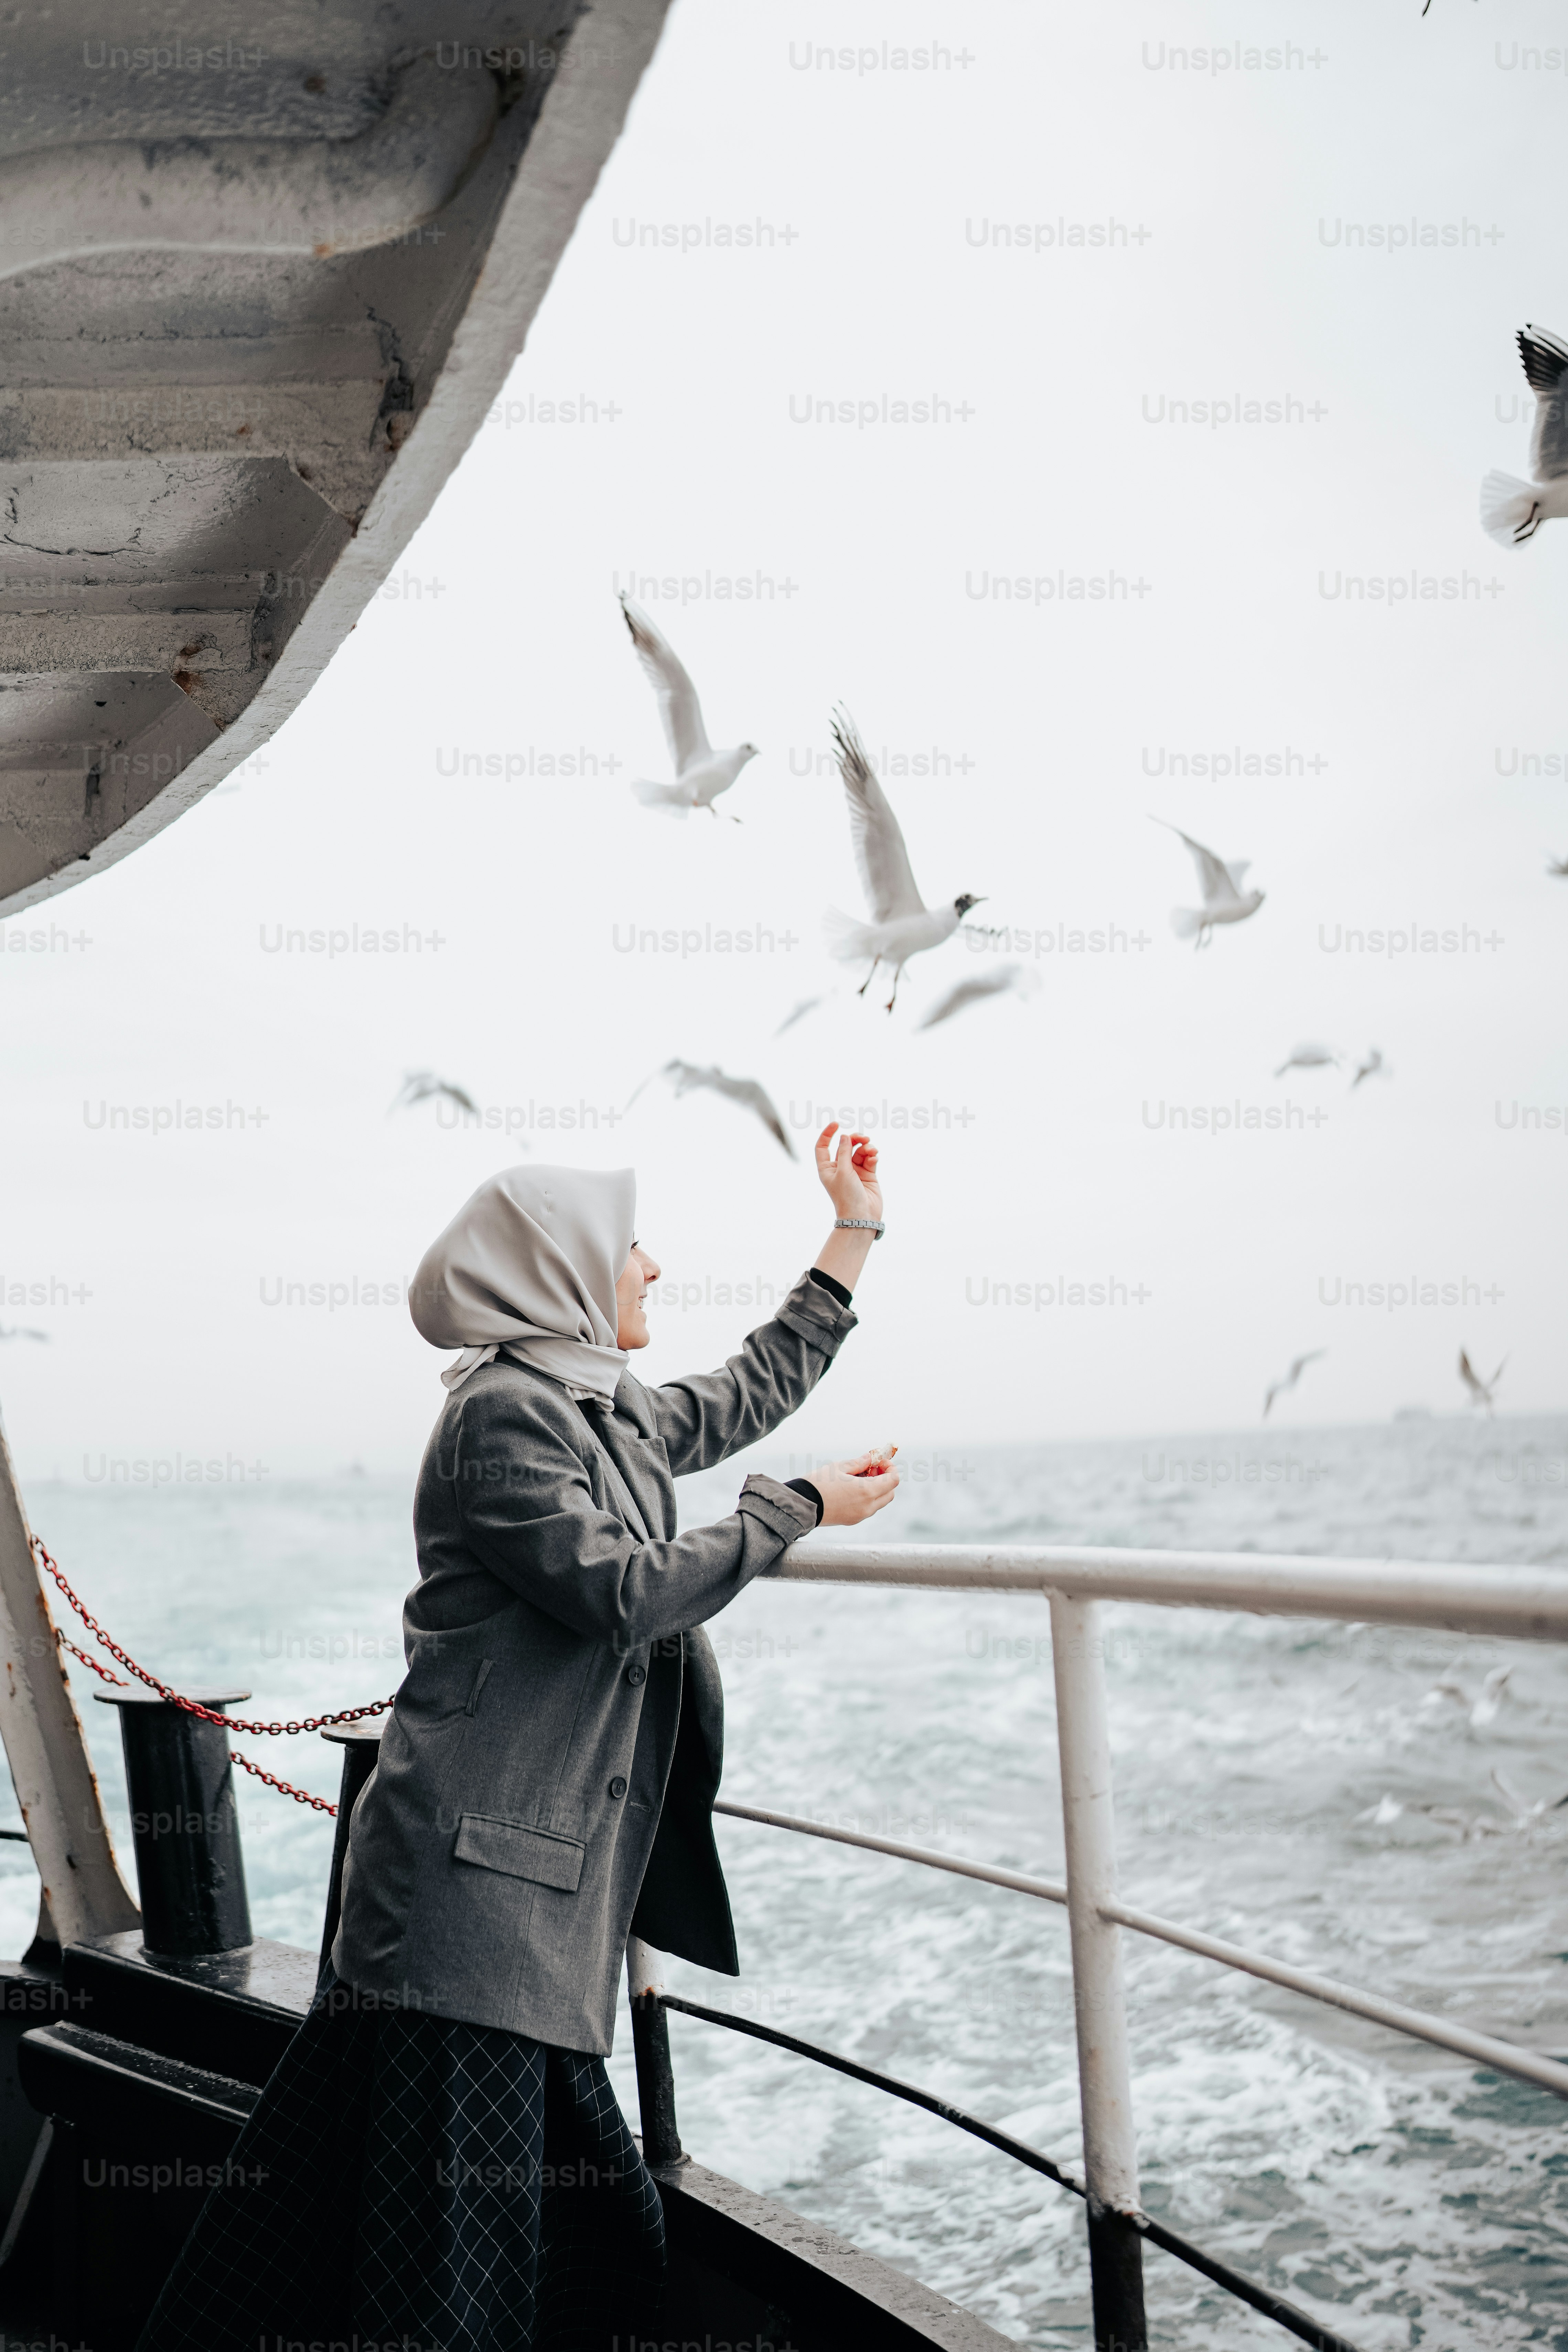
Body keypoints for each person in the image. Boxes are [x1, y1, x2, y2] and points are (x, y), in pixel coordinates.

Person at [137, 1120, 898, 2352]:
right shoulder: (503, 1421)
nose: (654, 1270)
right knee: (466, 2285)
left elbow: (752, 1386)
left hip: (513, 1917)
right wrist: (796, 1509)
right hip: (470, 1914)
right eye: (634, 1247)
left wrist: (852, 1228)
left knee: (445, 2252)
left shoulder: (598, 1408)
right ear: (562, 1272)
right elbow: (626, 1593)